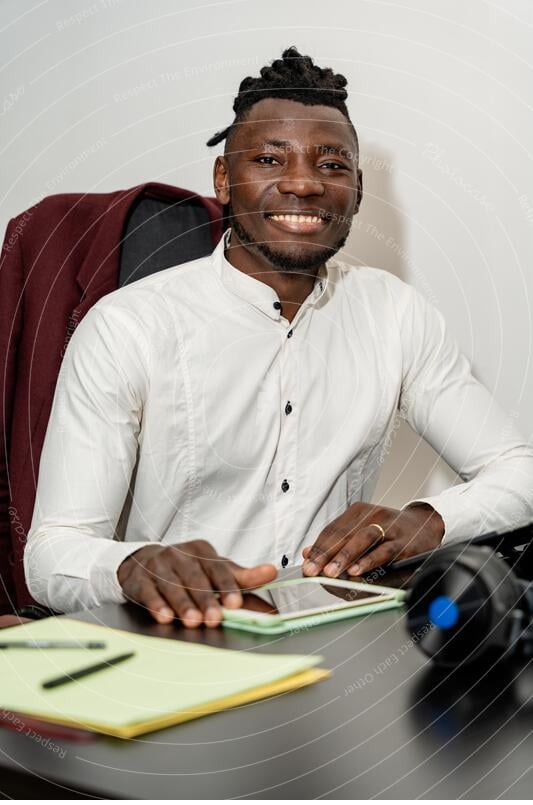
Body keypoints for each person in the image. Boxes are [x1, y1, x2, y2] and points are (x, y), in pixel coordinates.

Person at [24, 47, 533, 628]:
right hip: (187, 638)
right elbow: (51, 553)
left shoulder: (395, 313)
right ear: (223, 179)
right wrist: (133, 565)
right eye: (269, 159)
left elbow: (520, 472)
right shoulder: (128, 327)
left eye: (332, 165)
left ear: (358, 190)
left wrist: (430, 518)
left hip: (335, 636)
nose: (303, 184)